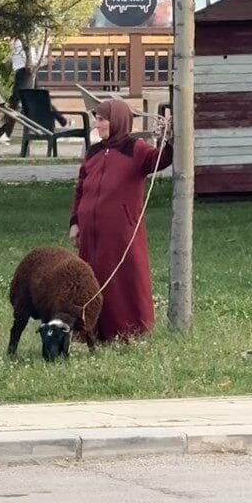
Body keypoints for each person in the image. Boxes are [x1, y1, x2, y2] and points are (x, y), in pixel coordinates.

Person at [69, 98, 172, 341]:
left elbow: (162, 159)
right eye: (97, 119)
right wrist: (75, 222)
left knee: (123, 280)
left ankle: (129, 330)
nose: (97, 124)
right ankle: (91, 331)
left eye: (102, 119)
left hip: (121, 233)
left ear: (116, 121)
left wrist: (172, 139)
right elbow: (81, 188)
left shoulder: (135, 149)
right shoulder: (93, 153)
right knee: (91, 280)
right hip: (90, 234)